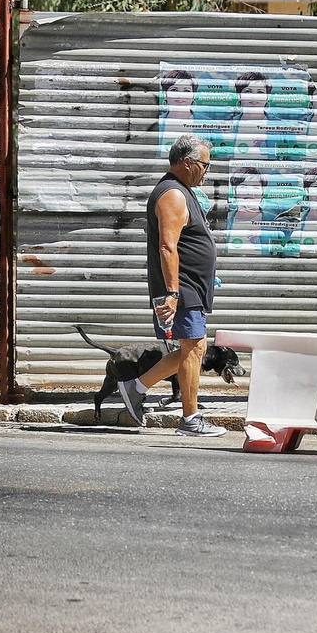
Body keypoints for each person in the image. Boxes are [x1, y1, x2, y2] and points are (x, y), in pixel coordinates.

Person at [119, 134, 226, 437]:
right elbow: (168, 247)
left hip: (190, 286)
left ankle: (136, 388)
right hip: (182, 289)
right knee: (194, 349)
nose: (208, 170)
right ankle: (190, 419)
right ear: (188, 162)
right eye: (205, 165)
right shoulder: (172, 194)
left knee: (194, 348)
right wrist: (173, 292)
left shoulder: (183, 191)